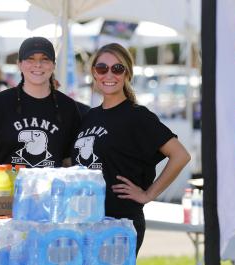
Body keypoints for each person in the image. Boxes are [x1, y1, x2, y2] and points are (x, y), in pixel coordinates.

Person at [71, 43, 191, 254]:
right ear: (94, 73)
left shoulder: (137, 116)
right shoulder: (89, 116)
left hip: (119, 225)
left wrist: (148, 194)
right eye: (102, 68)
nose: (109, 74)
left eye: (117, 68)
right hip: (85, 222)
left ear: (127, 74)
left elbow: (180, 155)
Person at [0, 37, 81, 168]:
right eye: (30, 59)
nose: (38, 65)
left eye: (45, 59)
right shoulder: (0, 103)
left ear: (53, 65)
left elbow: (70, 163)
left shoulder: (67, 107)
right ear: (19, 64)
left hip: (51, 188)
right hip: (5, 188)